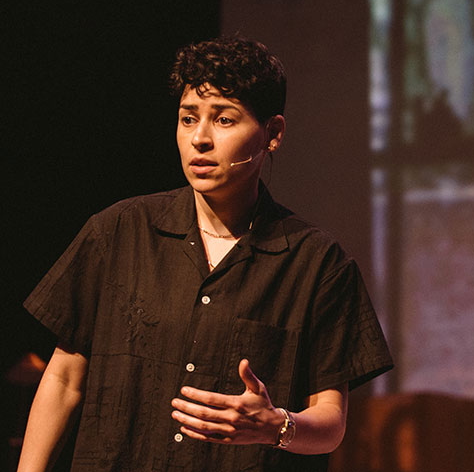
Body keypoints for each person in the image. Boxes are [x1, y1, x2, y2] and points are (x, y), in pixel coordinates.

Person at [18, 36, 393, 471]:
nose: (200, 138)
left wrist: (277, 426)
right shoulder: (118, 230)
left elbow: (331, 423)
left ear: (272, 134)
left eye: (225, 120)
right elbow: (63, 379)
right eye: (188, 118)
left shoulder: (317, 263)